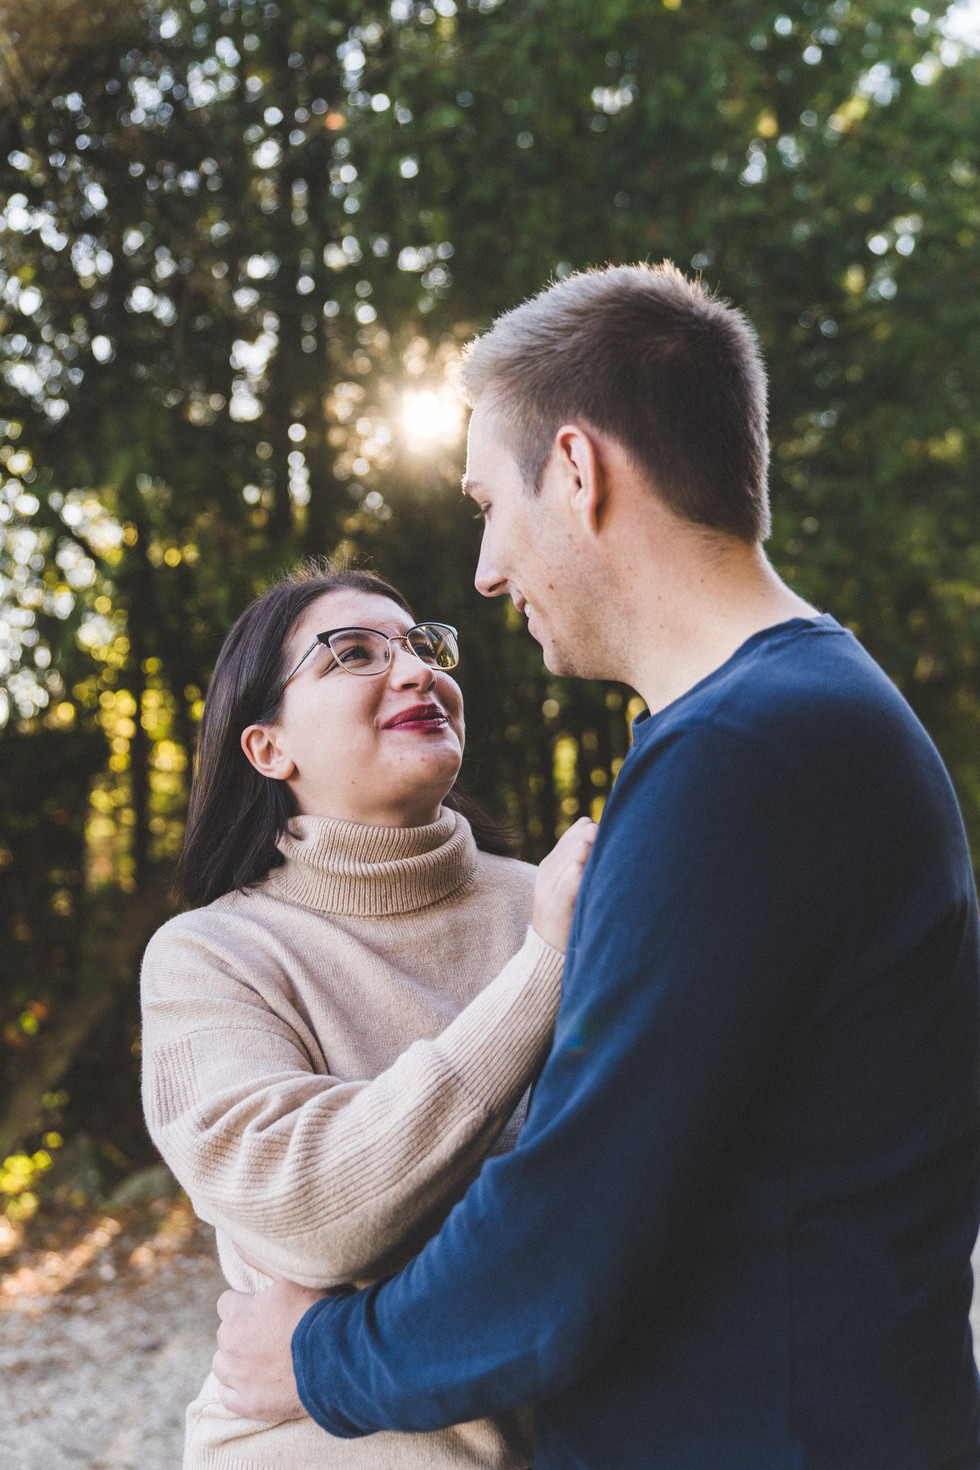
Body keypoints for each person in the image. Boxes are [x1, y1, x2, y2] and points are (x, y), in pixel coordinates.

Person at [212, 264, 980, 1469]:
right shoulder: (798, 718)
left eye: (484, 503)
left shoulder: (740, 761)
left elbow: (560, 1244)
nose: (482, 571)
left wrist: (316, 1358)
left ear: (574, 470)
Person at [139, 560, 596, 1470]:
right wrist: (544, 968)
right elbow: (309, 1213)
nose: (419, 670)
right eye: (352, 653)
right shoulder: (213, 956)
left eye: (423, 645)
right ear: (268, 748)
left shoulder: (561, 898)